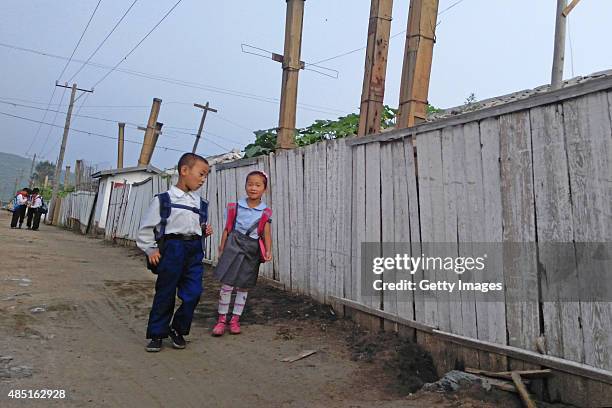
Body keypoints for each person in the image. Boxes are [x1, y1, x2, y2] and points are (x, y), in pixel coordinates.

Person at [137, 153, 213, 352]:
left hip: (194, 251)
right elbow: (146, 228)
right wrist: (150, 248)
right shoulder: (164, 200)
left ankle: (177, 329)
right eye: (201, 174)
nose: (203, 179)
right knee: (165, 293)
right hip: (172, 250)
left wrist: (203, 231)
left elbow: (194, 227)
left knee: (193, 293)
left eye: (206, 176)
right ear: (184, 171)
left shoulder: (200, 203)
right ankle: (156, 334)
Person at [212, 170, 272, 336]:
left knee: (243, 286)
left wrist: (268, 250)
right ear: (245, 186)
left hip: (251, 250)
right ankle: (221, 320)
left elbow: (266, 232)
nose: (253, 188)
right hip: (233, 246)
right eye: (250, 184)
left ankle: (235, 320)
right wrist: (222, 248)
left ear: (264, 189)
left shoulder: (265, 212)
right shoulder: (235, 207)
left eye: (257, 185)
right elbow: (227, 228)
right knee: (226, 285)